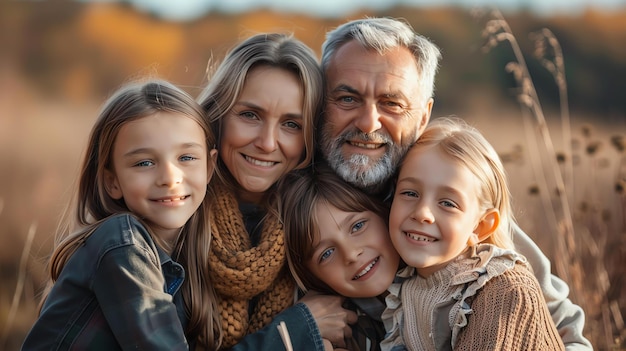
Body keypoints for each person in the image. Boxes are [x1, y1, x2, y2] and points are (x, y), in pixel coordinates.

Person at [317, 17, 591, 349]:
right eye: (347, 98)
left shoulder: (448, 192)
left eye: (392, 103)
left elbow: (563, 329)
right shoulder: (297, 201)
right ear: (320, 105)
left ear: (422, 116)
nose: (367, 122)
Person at [21, 80, 221, 350]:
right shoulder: (121, 245)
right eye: (144, 163)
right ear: (111, 181)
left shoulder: (186, 262)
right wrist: (299, 319)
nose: (170, 178)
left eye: (186, 158)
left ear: (209, 167)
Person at [197, 33, 356, 350]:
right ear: (218, 115)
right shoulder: (174, 218)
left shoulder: (321, 227)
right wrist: (295, 331)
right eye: (249, 115)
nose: (267, 143)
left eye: (291, 125)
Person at [381, 117, 564, 350]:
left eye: (447, 203)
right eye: (409, 193)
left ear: (480, 227)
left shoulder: (504, 290)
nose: (422, 213)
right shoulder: (406, 287)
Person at [280, 162, 399, 351]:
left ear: (385, 213)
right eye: (326, 254)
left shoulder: (451, 287)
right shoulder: (339, 337)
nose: (351, 254)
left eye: (358, 226)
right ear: (313, 277)